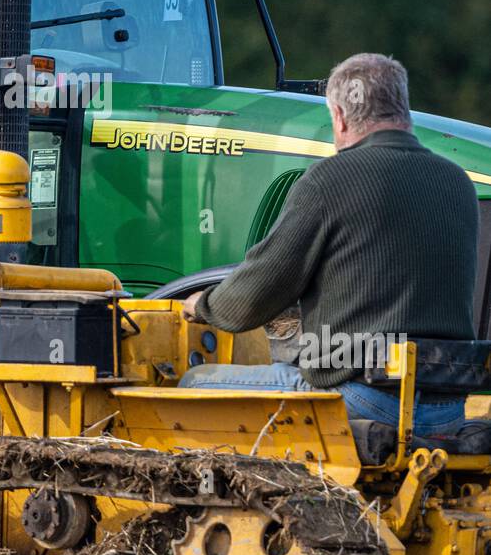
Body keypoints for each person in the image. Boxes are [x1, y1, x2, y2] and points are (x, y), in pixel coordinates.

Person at [182, 52, 480, 438]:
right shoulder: (457, 182)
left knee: (194, 384)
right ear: (402, 109)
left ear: (338, 116)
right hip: (447, 408)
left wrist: (202, 305)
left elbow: (249, 302)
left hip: (359, 396)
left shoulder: (330, 179)